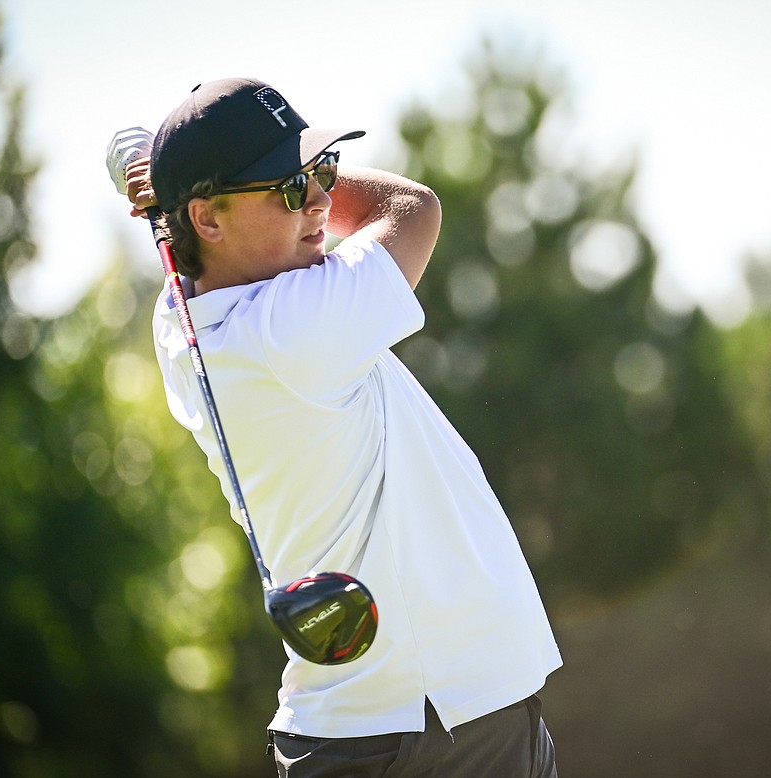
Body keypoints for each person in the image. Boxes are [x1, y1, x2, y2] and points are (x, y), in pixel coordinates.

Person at [124, 77, 562, 777]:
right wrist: (177, 186)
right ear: (208, 220)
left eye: (322, 172)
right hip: (440, 722)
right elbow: (411, 208)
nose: (322, 201)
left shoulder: (183, 325)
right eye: (293, 186)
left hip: (365, 728)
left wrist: (200, 194)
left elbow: (198, 259)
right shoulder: (293, 328)